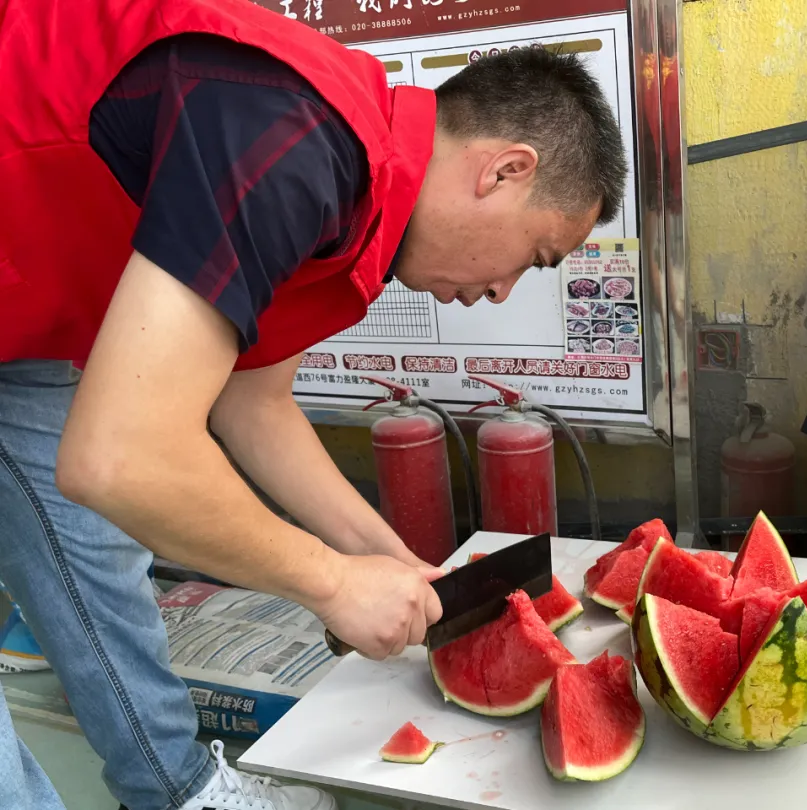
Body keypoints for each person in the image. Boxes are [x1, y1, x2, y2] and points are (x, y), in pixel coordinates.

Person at [0, 0, 628, 806]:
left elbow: (252, 405)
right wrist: (330, 583)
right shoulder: (293, 133)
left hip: (22, 324)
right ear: (504, 169)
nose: (503, 291)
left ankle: (179, 789)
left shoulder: (358, 198)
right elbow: (120, 458)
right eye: (536, 257)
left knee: (94, 551)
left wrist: (395, 566)